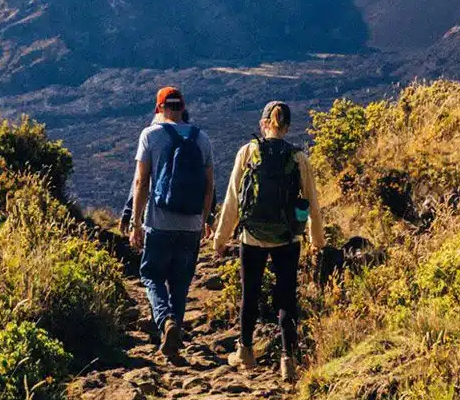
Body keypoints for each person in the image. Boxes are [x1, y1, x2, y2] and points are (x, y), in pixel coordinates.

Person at [210, 100, 324, 381]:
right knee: (286, 297)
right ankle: (288, 359)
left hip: (252, 237)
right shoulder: (298, 158)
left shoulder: (248, 152)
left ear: (263, 124)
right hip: (287, 238)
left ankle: (246, 352)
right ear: (286, 127)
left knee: (250, 293)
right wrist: (316, 239)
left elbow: (233, 200)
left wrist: (220, 239)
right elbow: (312, 203)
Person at [129, 86, 215, 360]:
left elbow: (141, 182)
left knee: (151, 275)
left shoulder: (150, 135)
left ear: (159, 108)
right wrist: (205, 219)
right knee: (181, 282)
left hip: (159, 221)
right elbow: (210, 185)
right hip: (190, 224)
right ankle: (173, 337)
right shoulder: (202, 138)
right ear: (183, 108)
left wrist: (135, 222)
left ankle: (166, 321)